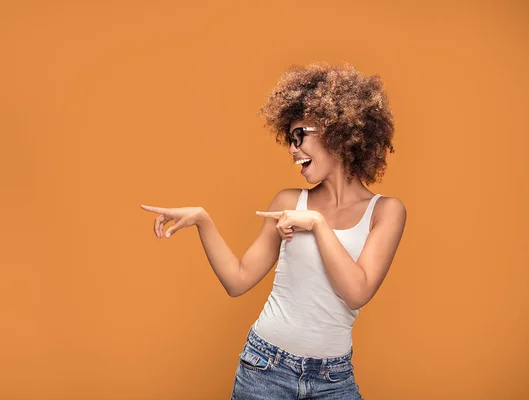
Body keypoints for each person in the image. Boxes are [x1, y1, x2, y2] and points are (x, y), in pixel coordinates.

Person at [141, 62, 406, 399]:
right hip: (265, 369)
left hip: (334, 379)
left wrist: (318, 225)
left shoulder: (386, 211)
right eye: (289, 139)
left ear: (336, 133)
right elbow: (237, 280)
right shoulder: (288, 201)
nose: (293, 149)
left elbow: (357, 292)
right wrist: (202, 220)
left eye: (301, 136)